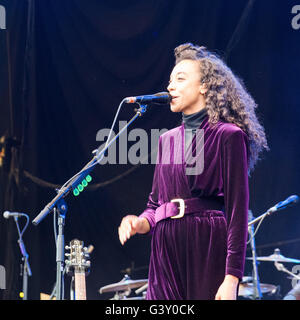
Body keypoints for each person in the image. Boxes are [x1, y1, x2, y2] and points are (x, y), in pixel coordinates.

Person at [118, 43, 269, 300]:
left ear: (204, 86)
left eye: (180, 78)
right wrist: (140, 222)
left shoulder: (228, 136)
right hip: (165, 246)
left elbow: (237, 211)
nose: (170, 86)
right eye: (169, 80)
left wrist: (232, 278)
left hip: (206, 241)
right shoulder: (166, 140)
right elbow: (155, 204)